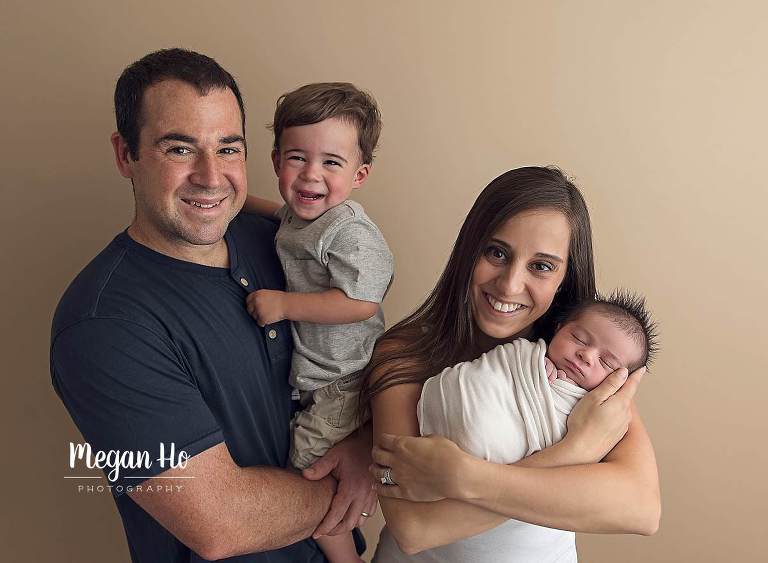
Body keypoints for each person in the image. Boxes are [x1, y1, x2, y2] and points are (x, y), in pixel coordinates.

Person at [50, 48, 374, 563]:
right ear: (124, 155)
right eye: (179, 149)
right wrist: (355, 485)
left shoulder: (281, 240)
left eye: (228, 149)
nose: (211, 175)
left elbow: (355, 357)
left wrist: (363, 442)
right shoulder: (103, 324)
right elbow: (219, 522)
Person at [360, 167, 661, 561]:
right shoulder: (405, 353)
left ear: (565, 277)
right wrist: (573, 453)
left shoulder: (582, 366)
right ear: (470, 250)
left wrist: (462, 477)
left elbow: (641, 508)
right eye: (497, 253)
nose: (509, 285)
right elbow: (416, 529)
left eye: (541, 266)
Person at [243, 82, 393, 563]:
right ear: (275, 161)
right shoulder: (300, 214)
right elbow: (279, 215)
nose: (311, 175)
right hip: (321, 375)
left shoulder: (349, 231)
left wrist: (286, 306)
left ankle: (343, 558)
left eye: (331, 162)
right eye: (296, 158)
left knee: (308, 466)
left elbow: (361, 303)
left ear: (360, 173)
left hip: (345, 377)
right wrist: (237, 199)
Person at [417, 291, 660, 557]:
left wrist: (464, 475)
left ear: (621, 381)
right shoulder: (523, 357)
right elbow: (413, 531)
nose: (586, 355)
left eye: (606, 362)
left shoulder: (609, 410)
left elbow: (644, 513)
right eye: (578, 338)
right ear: (559, 328)